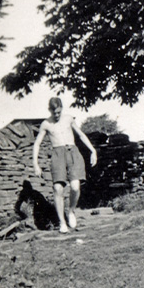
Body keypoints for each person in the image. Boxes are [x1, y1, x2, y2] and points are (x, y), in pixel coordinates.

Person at [32, 97, 98, 234]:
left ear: (61, 109)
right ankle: (62, 223)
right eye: (54, 112)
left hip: (73, 152)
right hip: (57, 155)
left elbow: (80, 135)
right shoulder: (46, 124)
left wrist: (93, 150)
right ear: (49, 110)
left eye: (59, 112)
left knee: (75, 186)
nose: (57, 115)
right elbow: (37, 143)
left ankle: (71, 211)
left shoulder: (68, 119)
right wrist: (35, 164)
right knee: (58, 188)